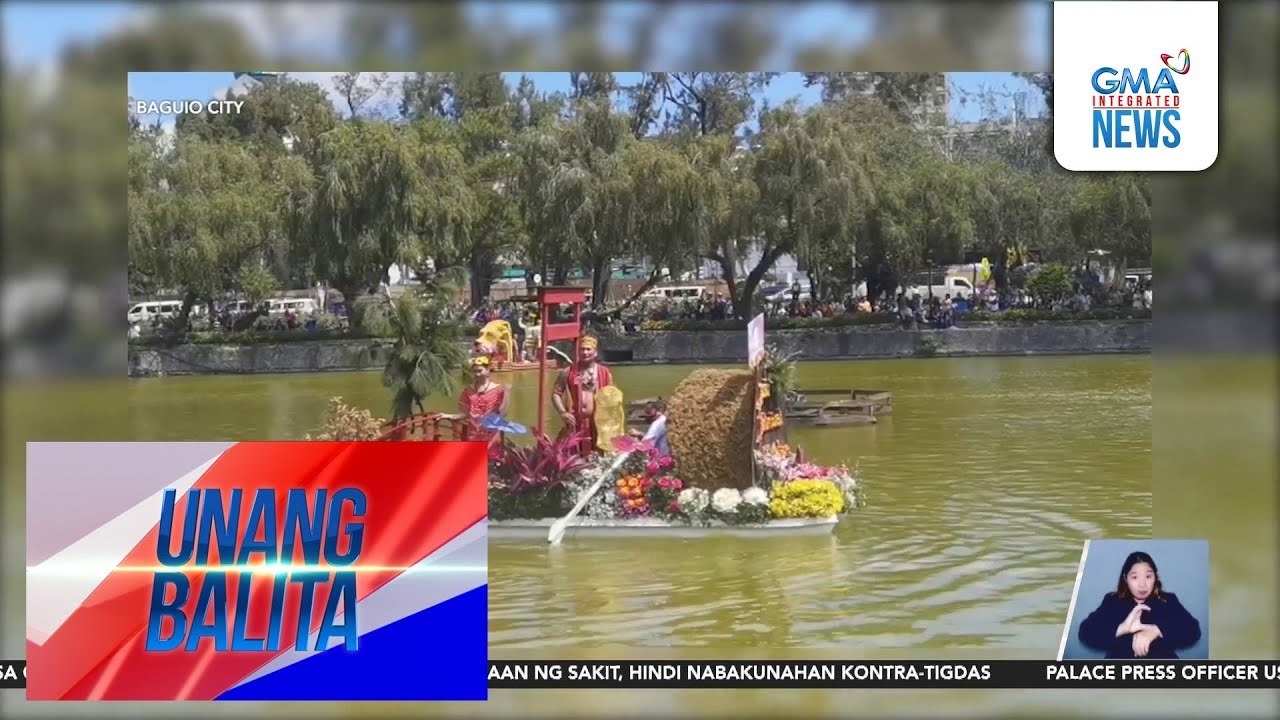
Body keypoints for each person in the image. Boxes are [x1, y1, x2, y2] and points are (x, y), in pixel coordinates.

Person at [1077, 551, 1202, 659]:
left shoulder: (1168, 600)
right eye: (1135, 577)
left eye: (1148, 576)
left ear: (1155, 577)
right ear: (1126, 579)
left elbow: (1193, 630)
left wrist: (1156, 630)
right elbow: (1085, 632)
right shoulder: (1112, 601)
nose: (1142, 584)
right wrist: (1123, 628)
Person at [552, 335, 613, 453]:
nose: (585, 352)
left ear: (595, 353)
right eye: (582, 349)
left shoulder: (604, 372)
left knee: (598, 454)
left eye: (588, 349)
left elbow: (612, 397)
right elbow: (556, 393)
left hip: (597, 422)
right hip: (575, 421)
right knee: (574, 454)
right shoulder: (568, 371)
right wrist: (562, 413)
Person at [458, 356, 509, 445]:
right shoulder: (468, 390)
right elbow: (462, 409)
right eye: (475, 371)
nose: (477, 374)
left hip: (491, 435)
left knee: (491, 457)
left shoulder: (498, 390)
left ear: (488, 370)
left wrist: (507, 393)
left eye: (480, 371)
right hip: (473, 434)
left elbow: (502, 412)